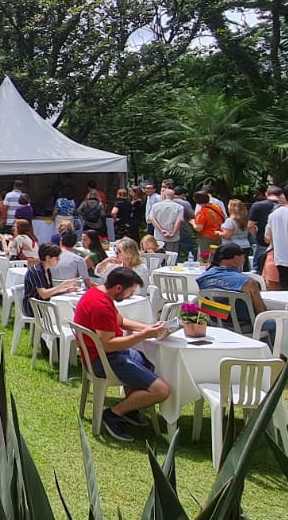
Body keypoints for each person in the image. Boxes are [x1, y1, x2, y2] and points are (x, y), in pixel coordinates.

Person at [71, 267, 173, 442]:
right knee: (162, 390)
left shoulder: (98, 293)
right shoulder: (101, 306)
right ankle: (113, 414)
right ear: (118, 288)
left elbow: (120, 321)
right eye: (130, 291)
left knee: (149, 362)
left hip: (106, 355)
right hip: (104, 359)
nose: (130, 296)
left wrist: (148, 328)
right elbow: (108, 345)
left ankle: (130, 408)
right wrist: (143, 335)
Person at [196, 242, 267, 326]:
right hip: (244, 325)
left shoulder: (203, 278)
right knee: (280, 323)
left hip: (215, 322)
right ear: (236, 258)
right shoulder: (248, 283)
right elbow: (261, 312)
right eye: (243, 257)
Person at [247, 185, 283, 269]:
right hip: (282, 242)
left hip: (263, 240)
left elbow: (250, 225)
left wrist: (256, 236)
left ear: (266, 194)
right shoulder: (285, 206)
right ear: (281, 194)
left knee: (258, 266)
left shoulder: (258, 205)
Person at [147, 186, 186, 252]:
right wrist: (173, 232)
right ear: (173, 196)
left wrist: (161, 230)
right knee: (172, 256)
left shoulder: (155, 206)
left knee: (159, 255)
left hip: (159, 236)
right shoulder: (179, 207)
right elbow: (178, 221)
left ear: (164, 196)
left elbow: (152, 219)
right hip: (173, 237)